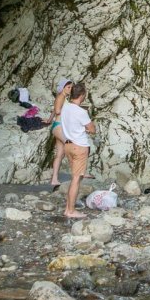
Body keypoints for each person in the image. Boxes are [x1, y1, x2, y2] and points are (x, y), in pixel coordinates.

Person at [59, 81, 95, 219]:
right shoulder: (81, 112)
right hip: (79, 146)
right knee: (76, 179)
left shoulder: (65, 107)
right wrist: (87, 127)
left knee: (74, 178)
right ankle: (71, 211)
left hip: (67, 145)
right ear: (82, 95)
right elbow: (92, 129)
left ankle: (68, 208)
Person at [48, 78, 73, 190]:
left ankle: (54, 179)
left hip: (57, 126)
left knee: (60, 154)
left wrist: (49, 120)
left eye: (71, 87)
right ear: (62, 88)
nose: (70, 89)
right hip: (59, 126)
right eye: (68, 87)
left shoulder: (61, 97)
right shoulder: (61, 96)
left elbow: (54, 110)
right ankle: (79, 173)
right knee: (71, 146)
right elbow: (58, 110)